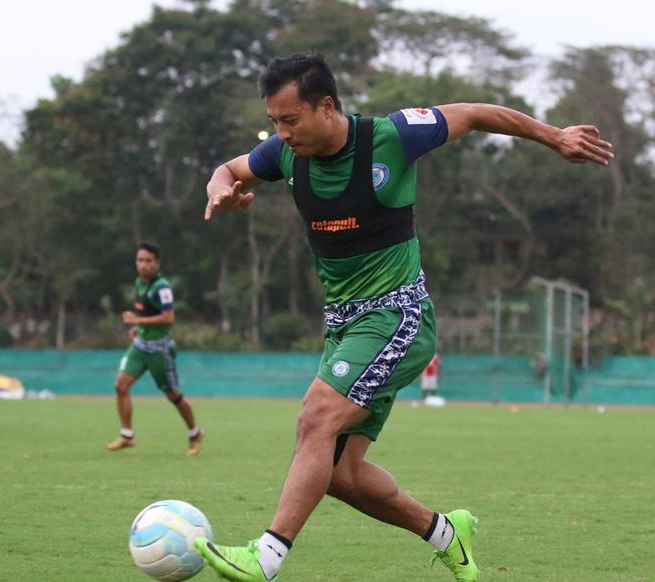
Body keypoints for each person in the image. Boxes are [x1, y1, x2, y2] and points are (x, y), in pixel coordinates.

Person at [197, 53, 612, 581]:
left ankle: (267, 556)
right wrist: (220, 190)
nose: (281, 133)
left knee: (315, 418)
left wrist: (555, 136)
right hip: (345, 326)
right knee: (341, 475)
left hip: (397, 314)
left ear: (326, 106)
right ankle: (446, 532)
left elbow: (479, 113)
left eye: (290, 120)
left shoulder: (392, 137)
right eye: (274, 121)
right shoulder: (284, 155)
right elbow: (229, 170)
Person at [106, 242, 203, 456]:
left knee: (173, 396)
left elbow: (168, 318)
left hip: (160, 350)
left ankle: (195, 433)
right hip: (140, 347)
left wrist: (137, 320)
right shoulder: (139, 283)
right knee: (121, 385)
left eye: (148, 261)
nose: (143, 265)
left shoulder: (162, 287)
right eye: (140, 260)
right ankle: (127, 435)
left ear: (157, 263)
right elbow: (148, 312)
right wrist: (138, 328)